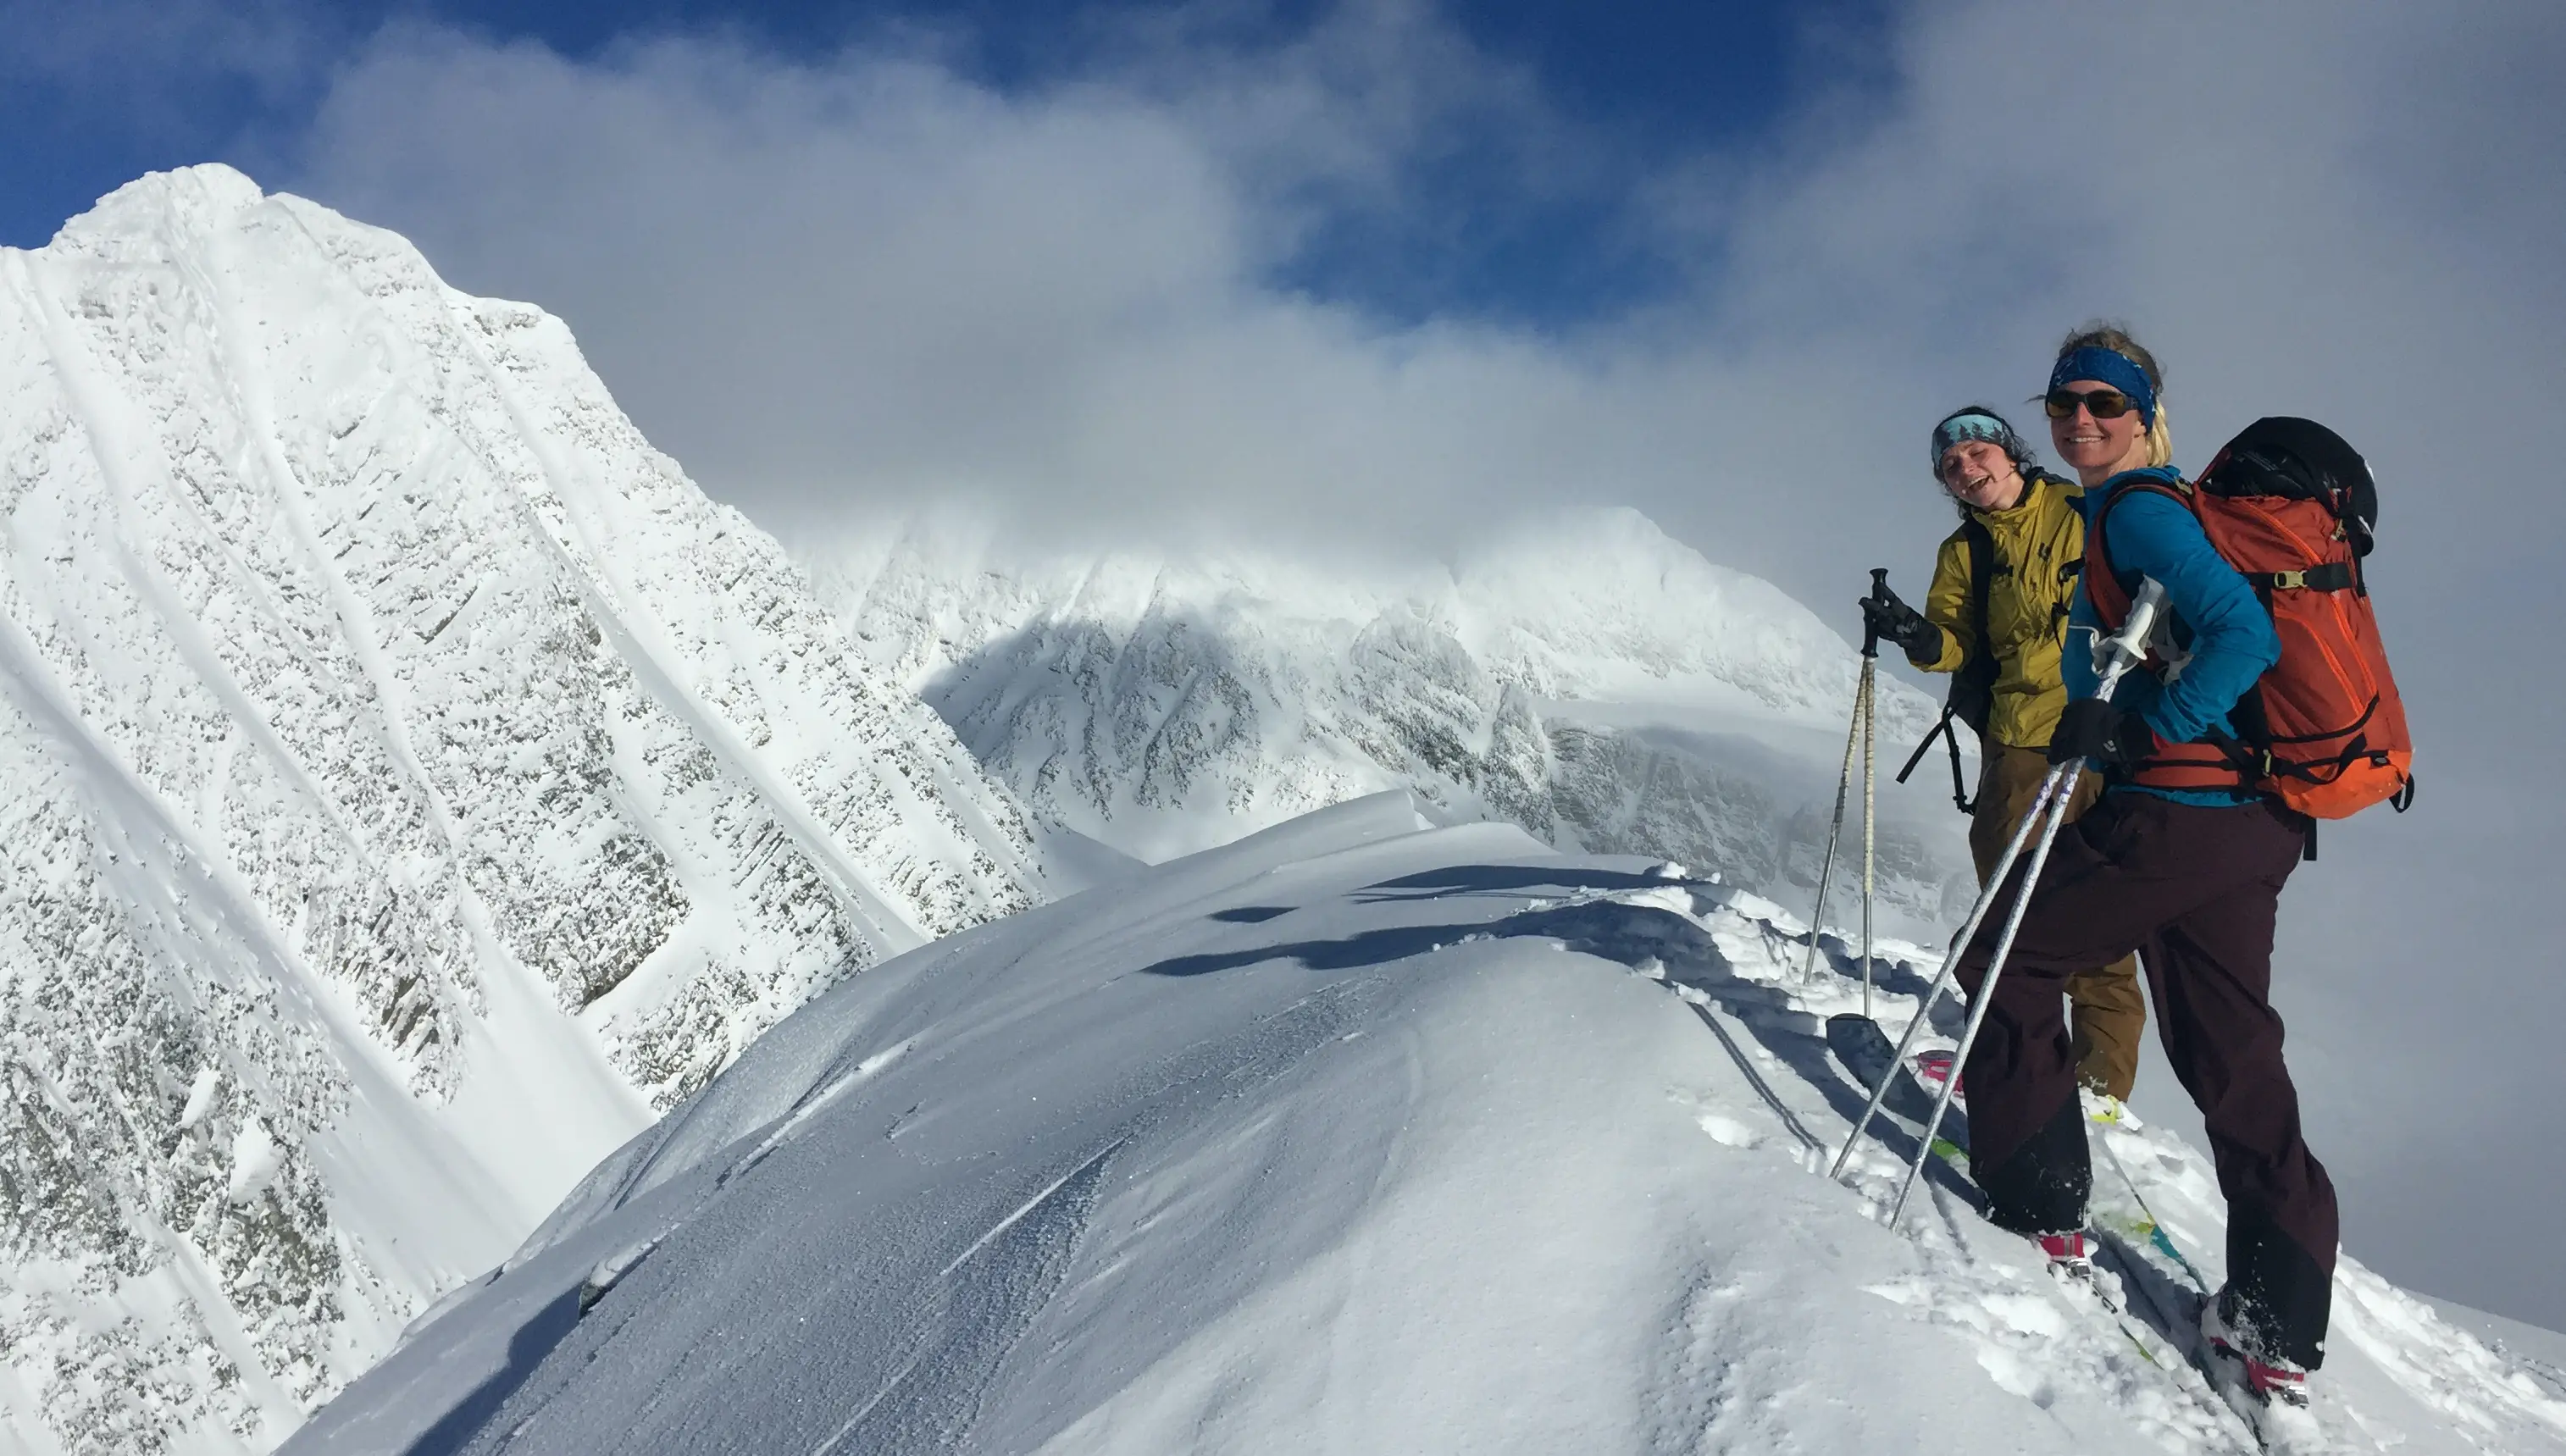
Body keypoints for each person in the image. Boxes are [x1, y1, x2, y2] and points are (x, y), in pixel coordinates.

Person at [1952, 324, 2336, 1409]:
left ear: (2141, 414)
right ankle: (2276, 1323)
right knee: (2231, 1056)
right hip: (2254, 823)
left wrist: (2140, 729)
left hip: (2173, 811)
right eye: (2062, 406)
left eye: (2100, 406)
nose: (2078, 423)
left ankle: (2035, 1204)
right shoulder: (2151, 505)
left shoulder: (2135, 509)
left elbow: (2239, 639)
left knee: (1997, 955)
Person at [1861, 408, 2148, 1111]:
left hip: (2104, 732)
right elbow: (1953, 644)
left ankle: (2097, 1083)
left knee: (2095, 903)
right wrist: (1915, 635)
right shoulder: (1965, 553)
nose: (1966, 469)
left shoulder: (2086, 510)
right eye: (1952, 466)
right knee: (2009, 899)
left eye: (1977, 452)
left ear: (2011, 454)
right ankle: (2018, 1050)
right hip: (2019, 736)